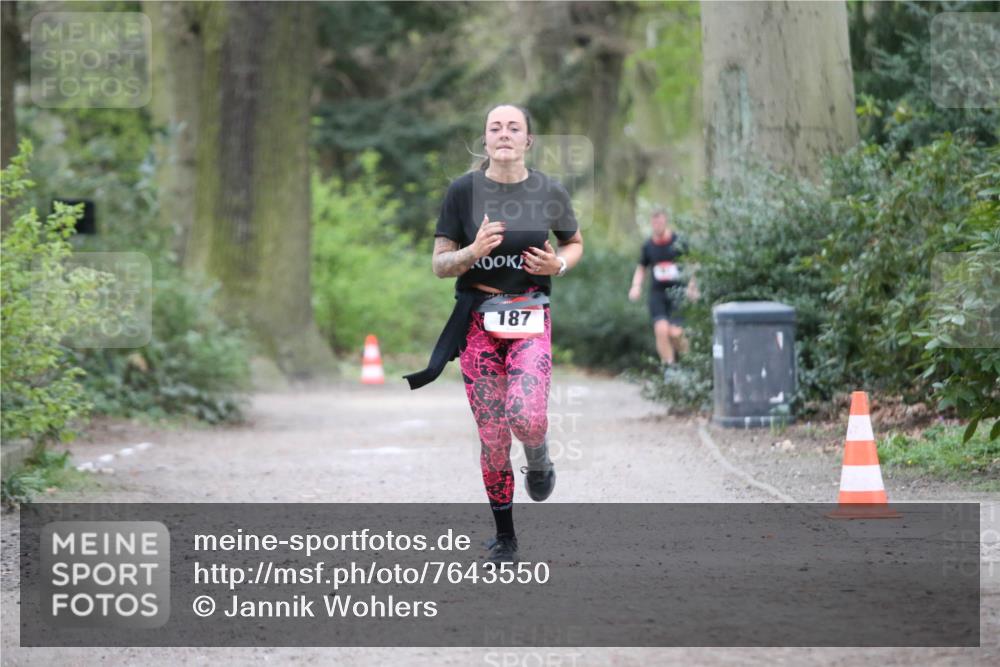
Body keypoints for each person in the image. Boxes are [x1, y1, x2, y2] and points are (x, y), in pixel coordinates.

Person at [405, 104, 583, 563]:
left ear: (528, 140)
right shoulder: (463, 192)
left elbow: (574, 242)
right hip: (478, 322)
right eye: (495, 128)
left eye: (514, 127)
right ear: (484, 141)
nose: (504, 134)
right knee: (493, 436)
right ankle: (505, 537)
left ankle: (539, 457)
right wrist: (472, 250)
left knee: (526, 416)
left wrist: (558, 264)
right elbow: (440, 265)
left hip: (529, 315)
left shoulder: (548, 190)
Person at [628, 209, 698, 377]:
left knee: (675, 332)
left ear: (665, 221)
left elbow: (693, 263)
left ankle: (691, 364)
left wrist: (692, 286)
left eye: (660, 221)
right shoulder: (648, 246)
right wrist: (636, 286)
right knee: (661, 329)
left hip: (678, 292)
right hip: (657, 293)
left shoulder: (678, 241)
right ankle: (670, 370)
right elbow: (641, 268)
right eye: (654, 222)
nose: (657, 225)